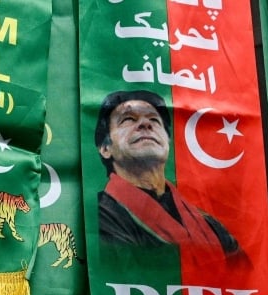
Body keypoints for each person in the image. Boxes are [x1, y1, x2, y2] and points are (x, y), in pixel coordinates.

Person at [95, 90, 240, 255]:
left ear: (167, 143)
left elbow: (243, 274)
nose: (145, 124)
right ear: (105, 148)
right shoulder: (99, 216)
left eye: (154, 120)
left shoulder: (209, 225)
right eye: (128, 119)